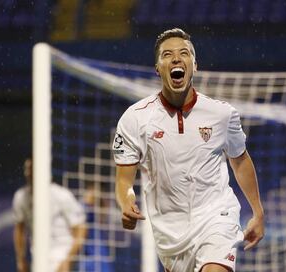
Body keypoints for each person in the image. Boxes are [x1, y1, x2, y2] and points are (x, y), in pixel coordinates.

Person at [113, 28, 265, 272]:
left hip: (217, 216)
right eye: (167, 55)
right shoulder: (135, 119)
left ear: (195, 65)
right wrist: (126, 202)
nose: (176, 58)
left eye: (184, 53)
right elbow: (124, 179)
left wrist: (257, 211)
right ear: (157, 68)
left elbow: (240, 160)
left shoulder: (221, 114)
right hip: (170, 233)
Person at [12, 158, 87, 272]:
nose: (28, 173)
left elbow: (81, 228)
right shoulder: (20, 197)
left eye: (32, 169)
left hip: (62, 254)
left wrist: (68, 259)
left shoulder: (61, 195)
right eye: (26, 169)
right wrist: (20, 259)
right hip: (39, 257)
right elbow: (19, 229)